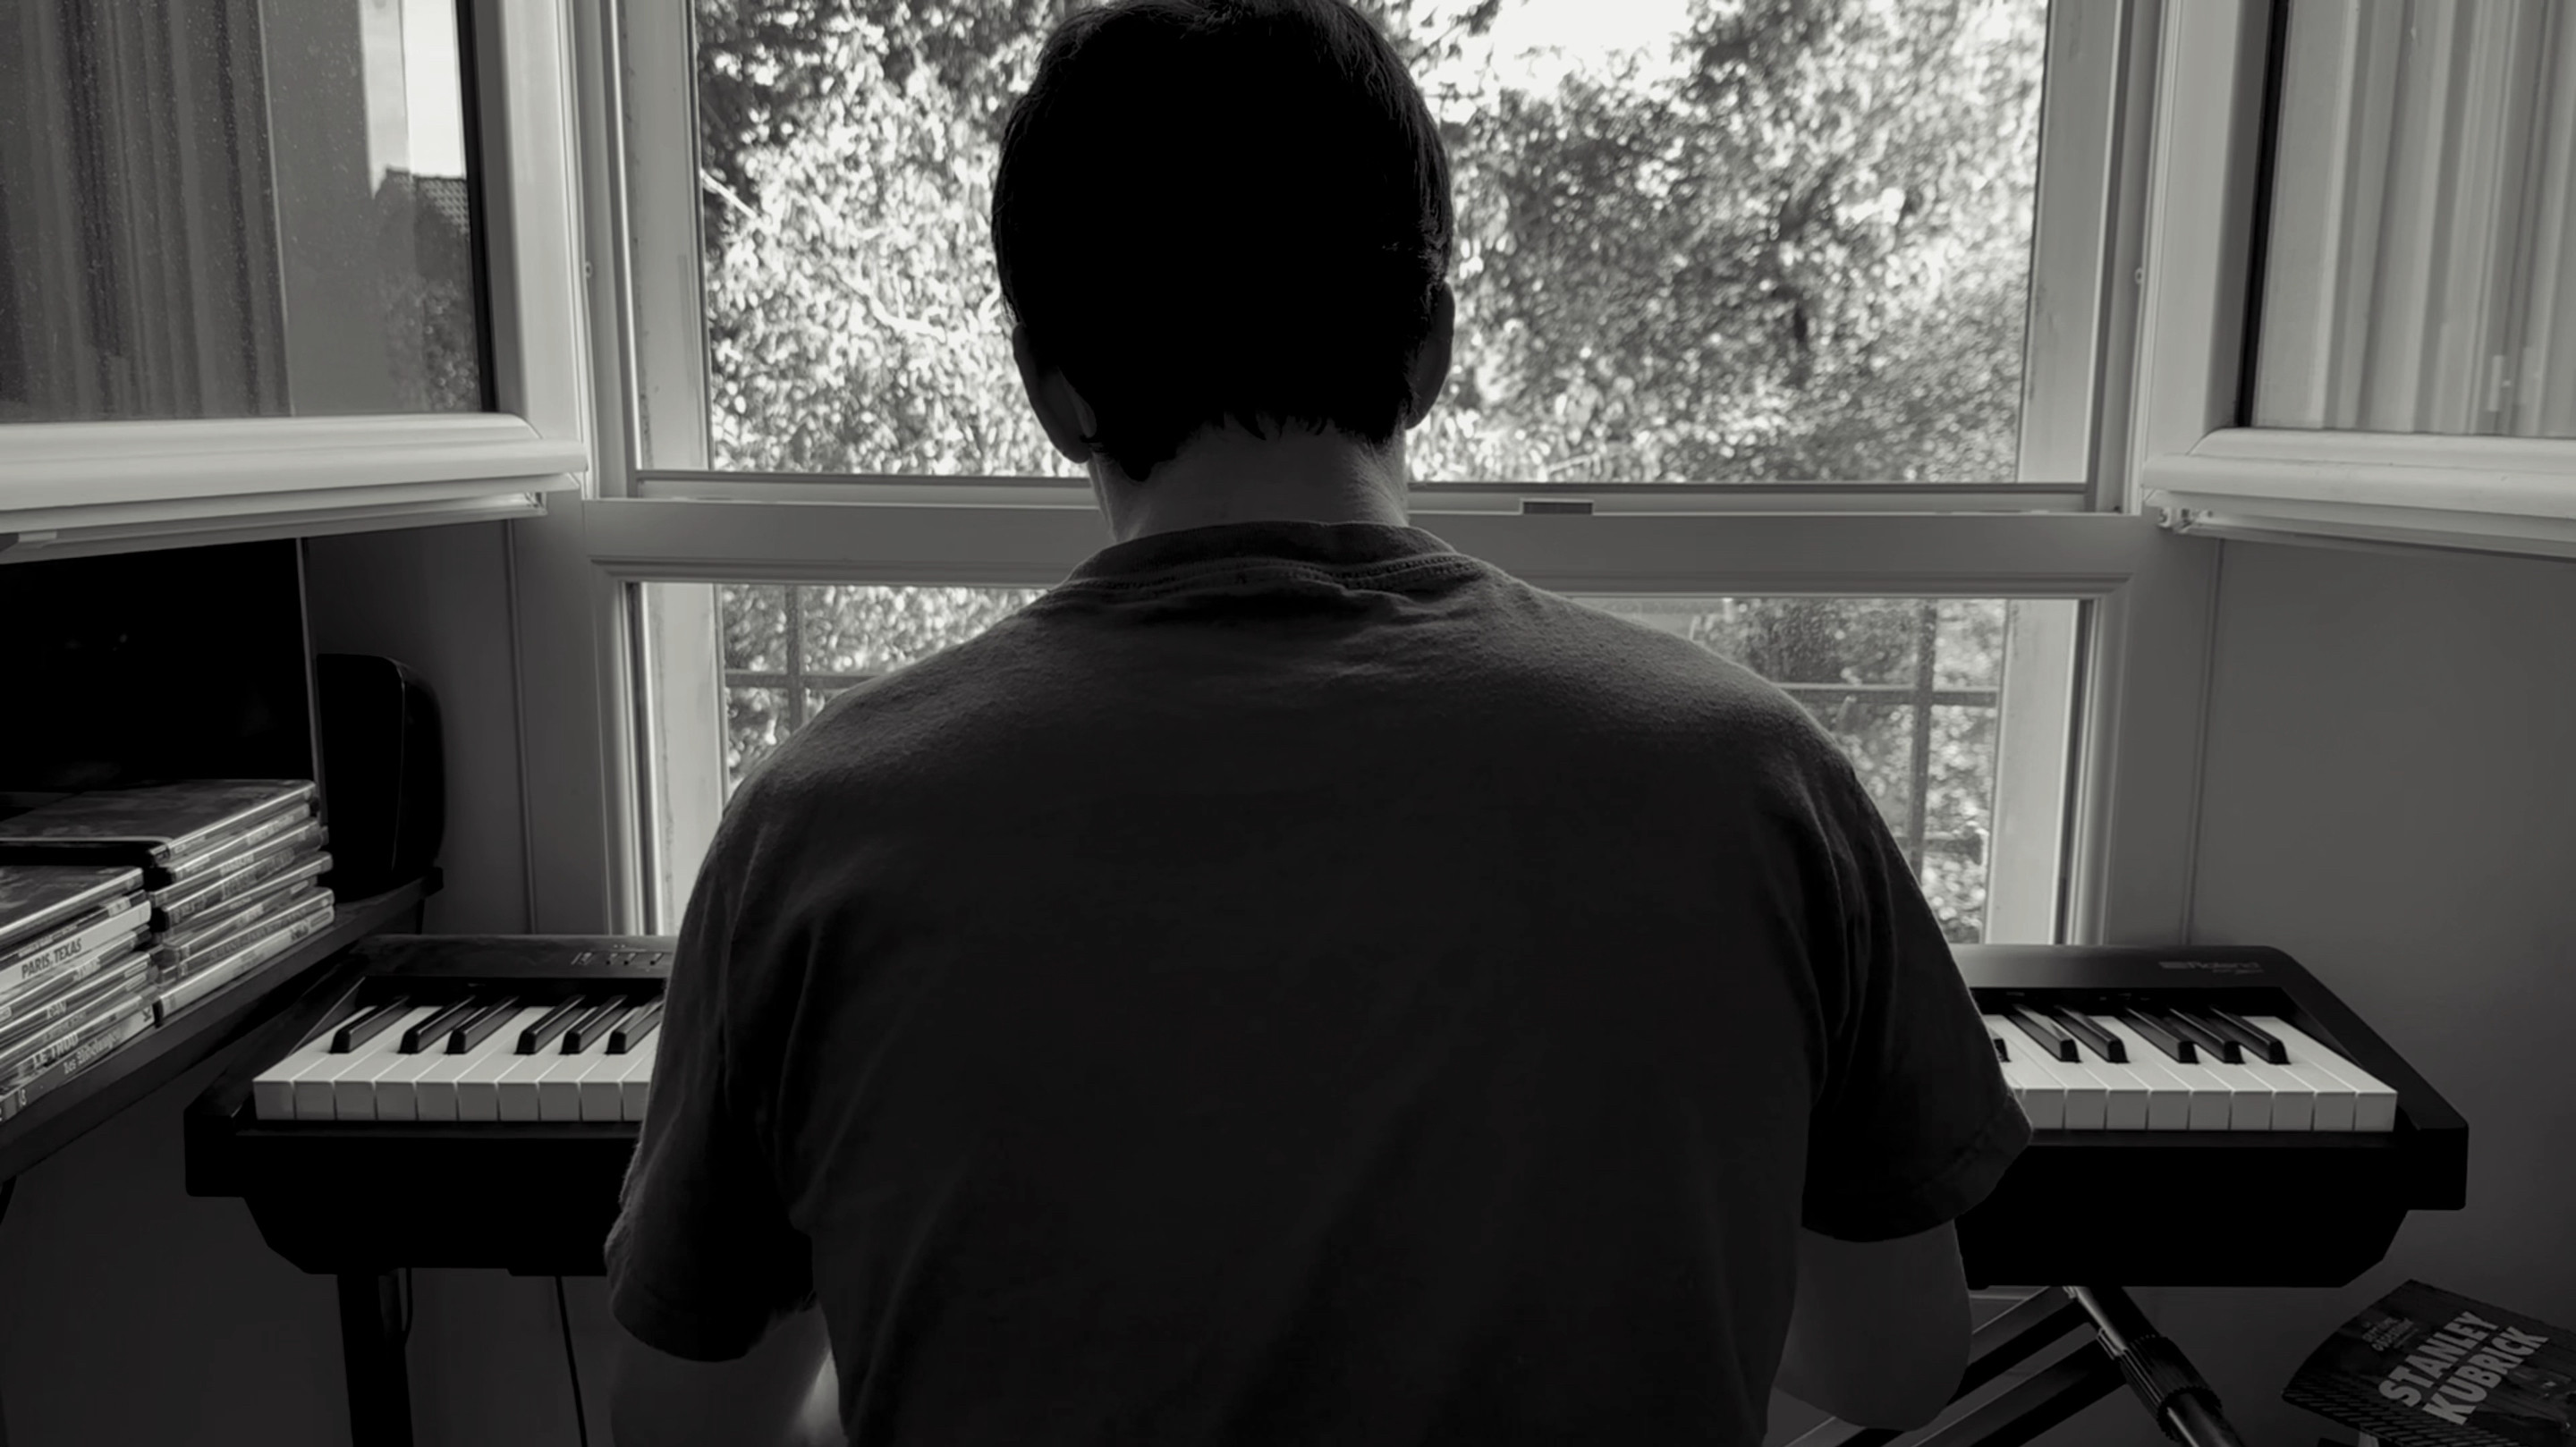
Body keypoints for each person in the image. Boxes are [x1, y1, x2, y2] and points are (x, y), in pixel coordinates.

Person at [603, 0, 2029, 1442]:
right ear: (1433, 346)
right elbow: (1899, 1361)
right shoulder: (1759, 778)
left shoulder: (815, 827)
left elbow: (686, 1428)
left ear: (1048, 388)